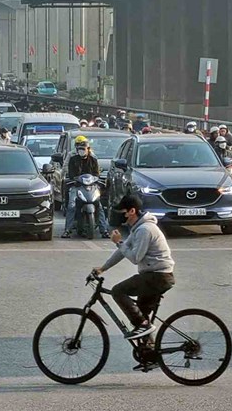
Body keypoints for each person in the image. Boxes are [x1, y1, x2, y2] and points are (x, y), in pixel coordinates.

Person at [92, 195, 175, 350]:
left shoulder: (145, 229)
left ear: (132, 211)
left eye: (123, 212)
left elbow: (135, 258)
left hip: (158, 276)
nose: (121, 216)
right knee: (140, 316)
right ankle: (149, 352)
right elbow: (122, 252)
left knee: (118, 291)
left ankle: (144, 325)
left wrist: (118, 242)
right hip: (153, 275)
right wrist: (103, 268)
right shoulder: (138, 228)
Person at [61, 137, 109, 239]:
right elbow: (70, 173)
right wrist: (75, 179)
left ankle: (104, 230)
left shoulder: (93, 159)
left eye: (84, 148)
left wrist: (94, 179)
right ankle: (67, 230)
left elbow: (96, 173)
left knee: (99, 206)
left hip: (92, 187)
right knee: (71, 206)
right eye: (80, 149)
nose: (82, 150)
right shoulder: (73, 159)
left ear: (88, 149)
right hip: (77, 186)